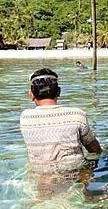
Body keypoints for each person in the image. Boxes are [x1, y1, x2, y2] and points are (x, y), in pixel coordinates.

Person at [20, 68, 102, 198]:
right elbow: (94, 149)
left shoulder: (25, 118)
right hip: (74, 173)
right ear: (59, 92)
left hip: (40, 173)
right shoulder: (76, 114)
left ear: (31, 95)